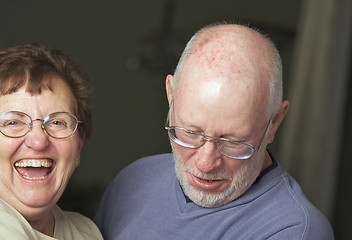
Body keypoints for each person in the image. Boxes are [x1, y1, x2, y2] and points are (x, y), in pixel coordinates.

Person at [95, 23, 334, 239]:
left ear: (275, 122)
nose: (205, 164)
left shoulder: (294, 230)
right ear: (171, 98)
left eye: (232, 141)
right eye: (190, 132)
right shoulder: (132, 181)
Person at [0, 44, 103, 239]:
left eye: (57, 122)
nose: (38, 141)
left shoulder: (86, 231)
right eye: (13, 122)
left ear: (79, 144)